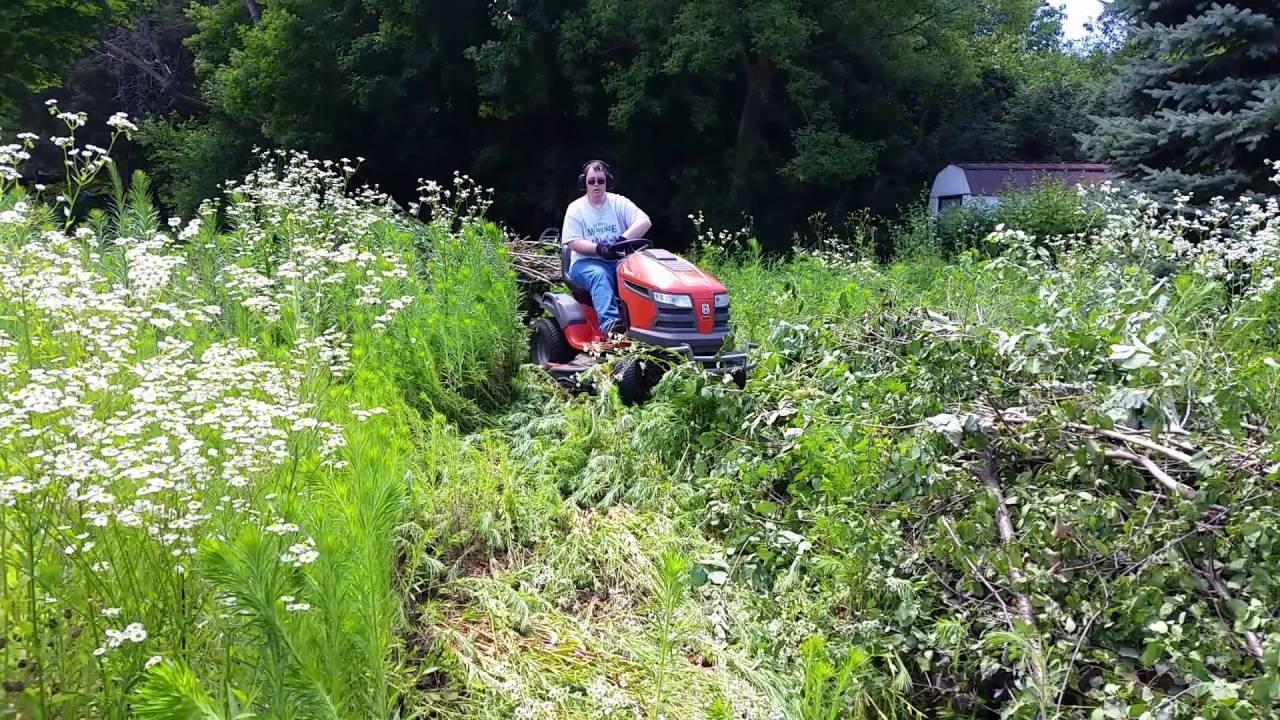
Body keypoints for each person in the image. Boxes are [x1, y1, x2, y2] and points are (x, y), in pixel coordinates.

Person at [561, 159, 651, 336]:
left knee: (641, 277)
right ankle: (610, 326)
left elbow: (644, 221)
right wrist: (600, 249)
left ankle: (645, 324)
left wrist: (622, 239)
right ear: (584, 183)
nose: (596, 185)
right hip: (585, 263)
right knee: (599, 275)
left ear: (607, 182)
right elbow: (572, 241)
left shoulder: (618, 203)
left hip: (618, 261)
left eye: (600, 180)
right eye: (591, 181)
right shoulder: (576, 209)